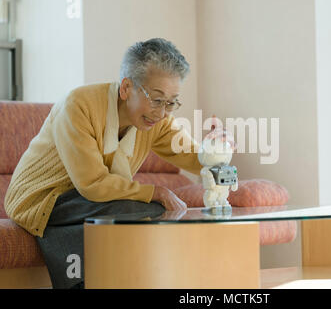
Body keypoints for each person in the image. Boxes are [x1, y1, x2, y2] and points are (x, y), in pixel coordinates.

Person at [3, 38, 229, 289]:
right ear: (126, 88)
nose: (163, 112)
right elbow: (92, 184)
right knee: (143, 209)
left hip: (87, 201)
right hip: (42, 198)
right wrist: (156, 191)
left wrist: (217, 152)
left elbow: (191, 155)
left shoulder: (158, 121)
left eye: (171, 102)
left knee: (140, 212)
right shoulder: (79, 105)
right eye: (156, 99)